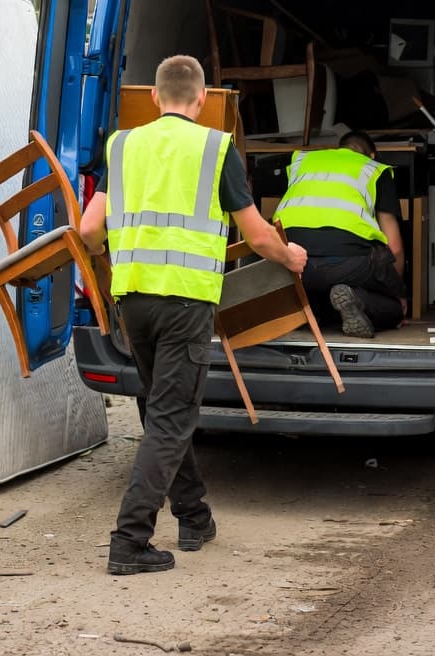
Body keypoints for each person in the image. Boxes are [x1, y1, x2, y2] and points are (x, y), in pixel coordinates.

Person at [80, 54, 307, 576]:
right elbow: (256, 235)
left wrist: (109, 254)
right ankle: (129, 541)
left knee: (163, 411)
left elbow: (91, 231)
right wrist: (290, 256)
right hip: (185, 301)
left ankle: (193, 516)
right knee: (170, 419)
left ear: (155, 97)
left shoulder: (123, 144)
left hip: (133, 300)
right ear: (202, 99)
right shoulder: (216, 148)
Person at [273, 130, 405, 338]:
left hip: (292, 261)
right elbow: (394, 247)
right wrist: (396, 292)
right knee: (394, 309)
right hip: (348, 263)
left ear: (339, 149)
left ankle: (311, 310)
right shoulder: (373, 169)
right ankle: (357, 299)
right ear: (372, 155)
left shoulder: (302, 162)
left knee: (317, 287)